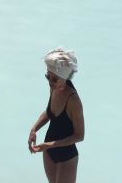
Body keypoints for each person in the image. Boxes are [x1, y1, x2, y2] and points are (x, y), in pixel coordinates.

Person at [29, 48, 84, 183]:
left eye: (54, 79)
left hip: (67, 157)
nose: (50, 82)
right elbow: (50, 111)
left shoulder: (74, 101)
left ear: (64, 78)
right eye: (48, 76)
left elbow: (80, 136)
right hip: (48, 151)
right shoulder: (54, 87)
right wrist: (34, 129)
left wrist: (50, 145)